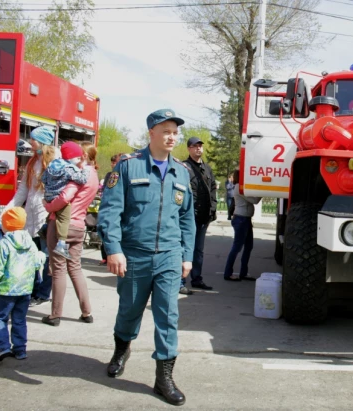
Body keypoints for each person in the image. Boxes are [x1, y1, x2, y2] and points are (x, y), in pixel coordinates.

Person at [97, 109, 196, 406]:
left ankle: (163, 378)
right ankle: (121, 349)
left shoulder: (181, 172)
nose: (172, 136)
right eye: (165, 130)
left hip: (169, 255)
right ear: (151, 133)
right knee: (129, 311)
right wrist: (113, 249)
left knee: (168, 316)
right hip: (135, 255)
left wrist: (187, 256)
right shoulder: (128, 167)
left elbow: (187, 219)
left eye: (175, 132)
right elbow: (110, 212)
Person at [42, 142, 98, 326]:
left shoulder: (77, 175)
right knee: (75, 268)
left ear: (82, 156)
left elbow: (65, 197)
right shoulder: (94, 176)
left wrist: (48, 206)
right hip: (79, 225)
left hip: (61, 226)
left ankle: (55, 315)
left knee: (58, 270)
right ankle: (87, 312)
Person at [5, 125, 57, 307]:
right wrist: (9, 209)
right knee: (31, 256)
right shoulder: (32, 162)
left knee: (46, 256)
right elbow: (23, 191)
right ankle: (33, 290)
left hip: (45, 217)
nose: (30, 141)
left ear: (41, 141)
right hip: (30, 218)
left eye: (33, 138)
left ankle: (43, 294)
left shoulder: (55, 161)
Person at [0, 207, 46, 363]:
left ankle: (3, 347)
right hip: (25, 289)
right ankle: (20, 350)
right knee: (19, 319)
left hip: (6, 289)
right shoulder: (30, 242)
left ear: (6, 225)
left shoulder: (3, 244)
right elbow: (37, 262)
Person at [180, 136, 217, 294]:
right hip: (189, 217)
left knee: (199, 251)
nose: (198, 149)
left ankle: (197, 279)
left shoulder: (207, 168)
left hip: (203, 217)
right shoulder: (183, 167)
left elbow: (213, 188)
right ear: (189, 148)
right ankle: (180, 281)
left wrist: (213, 208)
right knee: (185, 249)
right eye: (195, 146)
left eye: (200, 146)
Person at [42, 141, 90, 259]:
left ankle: (46, 239)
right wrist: (84, 169)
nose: (79, 160)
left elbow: (43, 179)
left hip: (48, 196)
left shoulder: (52, 165)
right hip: (59, 197)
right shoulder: (69, 168)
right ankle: (61, 244)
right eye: (77, 158)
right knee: (64, 219)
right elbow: (82, 179)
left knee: (54, 217)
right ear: (72, 157)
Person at [223, 169, 262, 281]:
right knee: (237, 247)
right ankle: (228, 273)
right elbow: (254, 200)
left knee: (248, 246)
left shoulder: (241, 186)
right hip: (241, 219)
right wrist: (263, 191)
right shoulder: (239, 187)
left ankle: (243, 273)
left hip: (245, 219)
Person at [99, 153, 125, 265]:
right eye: (112, 162)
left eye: (115, 162)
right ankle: (107, 255)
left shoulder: (125, 173)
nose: (113, 164)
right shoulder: (110, 175)